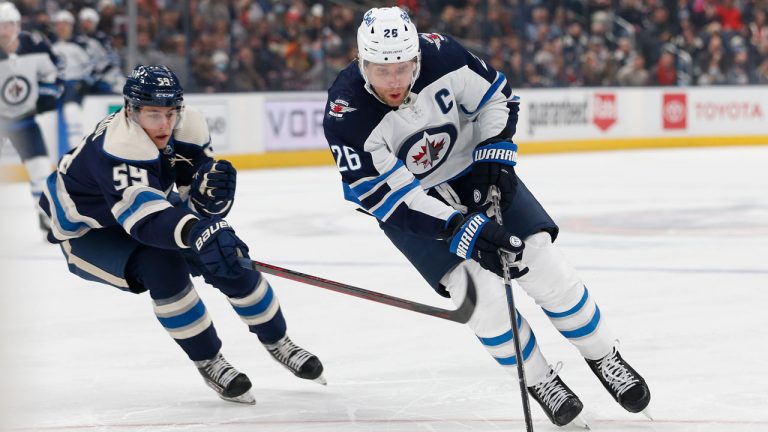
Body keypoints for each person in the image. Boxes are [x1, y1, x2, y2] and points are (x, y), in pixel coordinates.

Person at [323, 7, 651, 428]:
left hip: (471, 171)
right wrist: (462, 231)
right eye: (380, 69)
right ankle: (540, 379)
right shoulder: (346, 112)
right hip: (414, 204)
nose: (392, 81)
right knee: (481, 299)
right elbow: (388, 197)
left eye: (402, 68)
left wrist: (495, 153)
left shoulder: (442, 54)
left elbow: (494, 98)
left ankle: (605, 356)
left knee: (542, 262)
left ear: (417, 58)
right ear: (362, 61)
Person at [38, 64, 325, 404]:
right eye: (154, 114)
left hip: (144, 205)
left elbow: (194, 199)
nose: (165, 125)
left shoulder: (189, 125)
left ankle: (279, 341)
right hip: (88, 231)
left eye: (171, 113)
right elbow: (144, 221)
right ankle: (208, 359)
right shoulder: (118, 147)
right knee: (163, 266)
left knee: (228, 257)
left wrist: (210, 201)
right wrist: (197, 231)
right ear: (130, 110)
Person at [0, 1, 60, 231]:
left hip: (25, 119)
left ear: (17, 25)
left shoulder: (35, 45)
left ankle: (44, 214)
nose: (4, 31)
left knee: (40, 168)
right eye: (0, 26)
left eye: (8, 25)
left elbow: (52, 72)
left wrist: (47, 95)